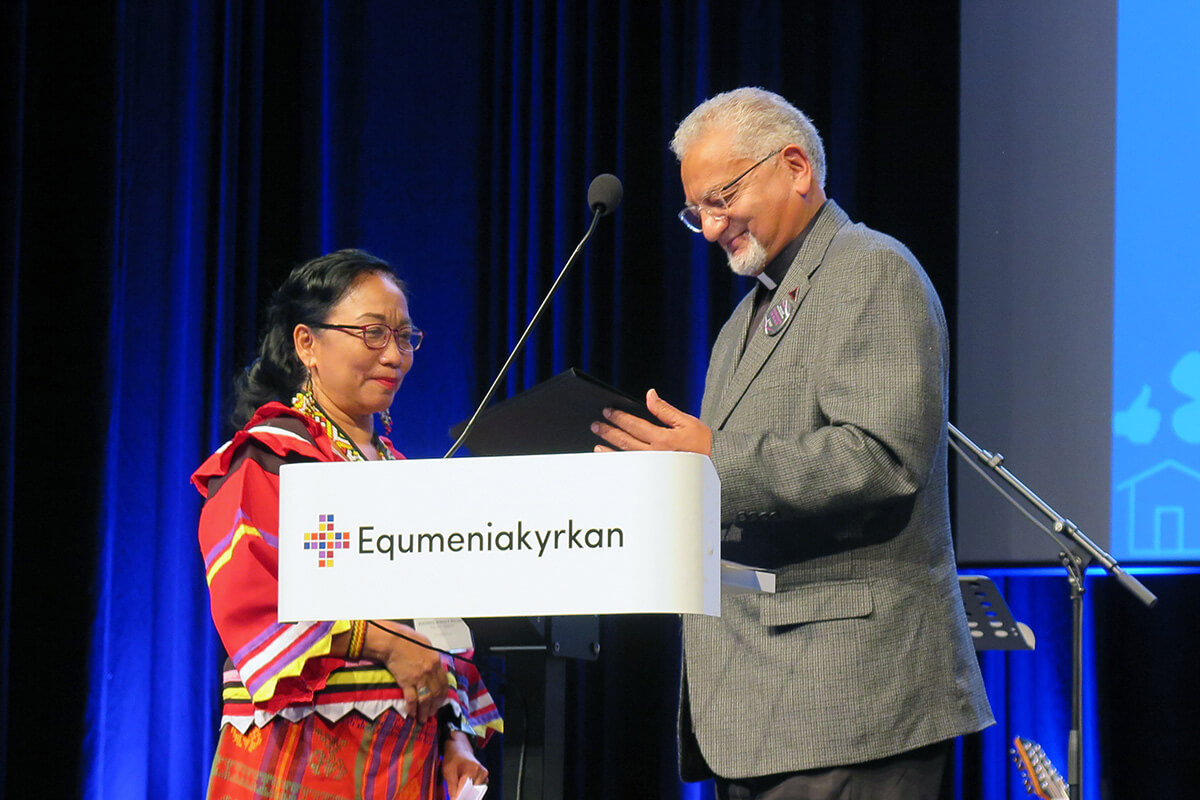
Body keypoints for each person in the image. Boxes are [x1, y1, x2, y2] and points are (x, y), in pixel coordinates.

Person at [591, 88, 992, 799]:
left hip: (851, 705)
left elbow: (881, 458)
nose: (711, 228)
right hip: (758, 709)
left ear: (796, 166)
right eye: (696, 213)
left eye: (721, 199)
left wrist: (708, 461)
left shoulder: (872, 269)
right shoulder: (745, 319)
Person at [192, 249, 501, 800]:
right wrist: (383, 644)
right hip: (303, 753)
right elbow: (253, 600)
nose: (395, 356)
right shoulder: (269, 460)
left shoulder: (401, 473)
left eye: (405, 337)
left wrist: (456, 735)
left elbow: (439, 628)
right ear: (306, 343)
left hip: (409, 760)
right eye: (373, 334)